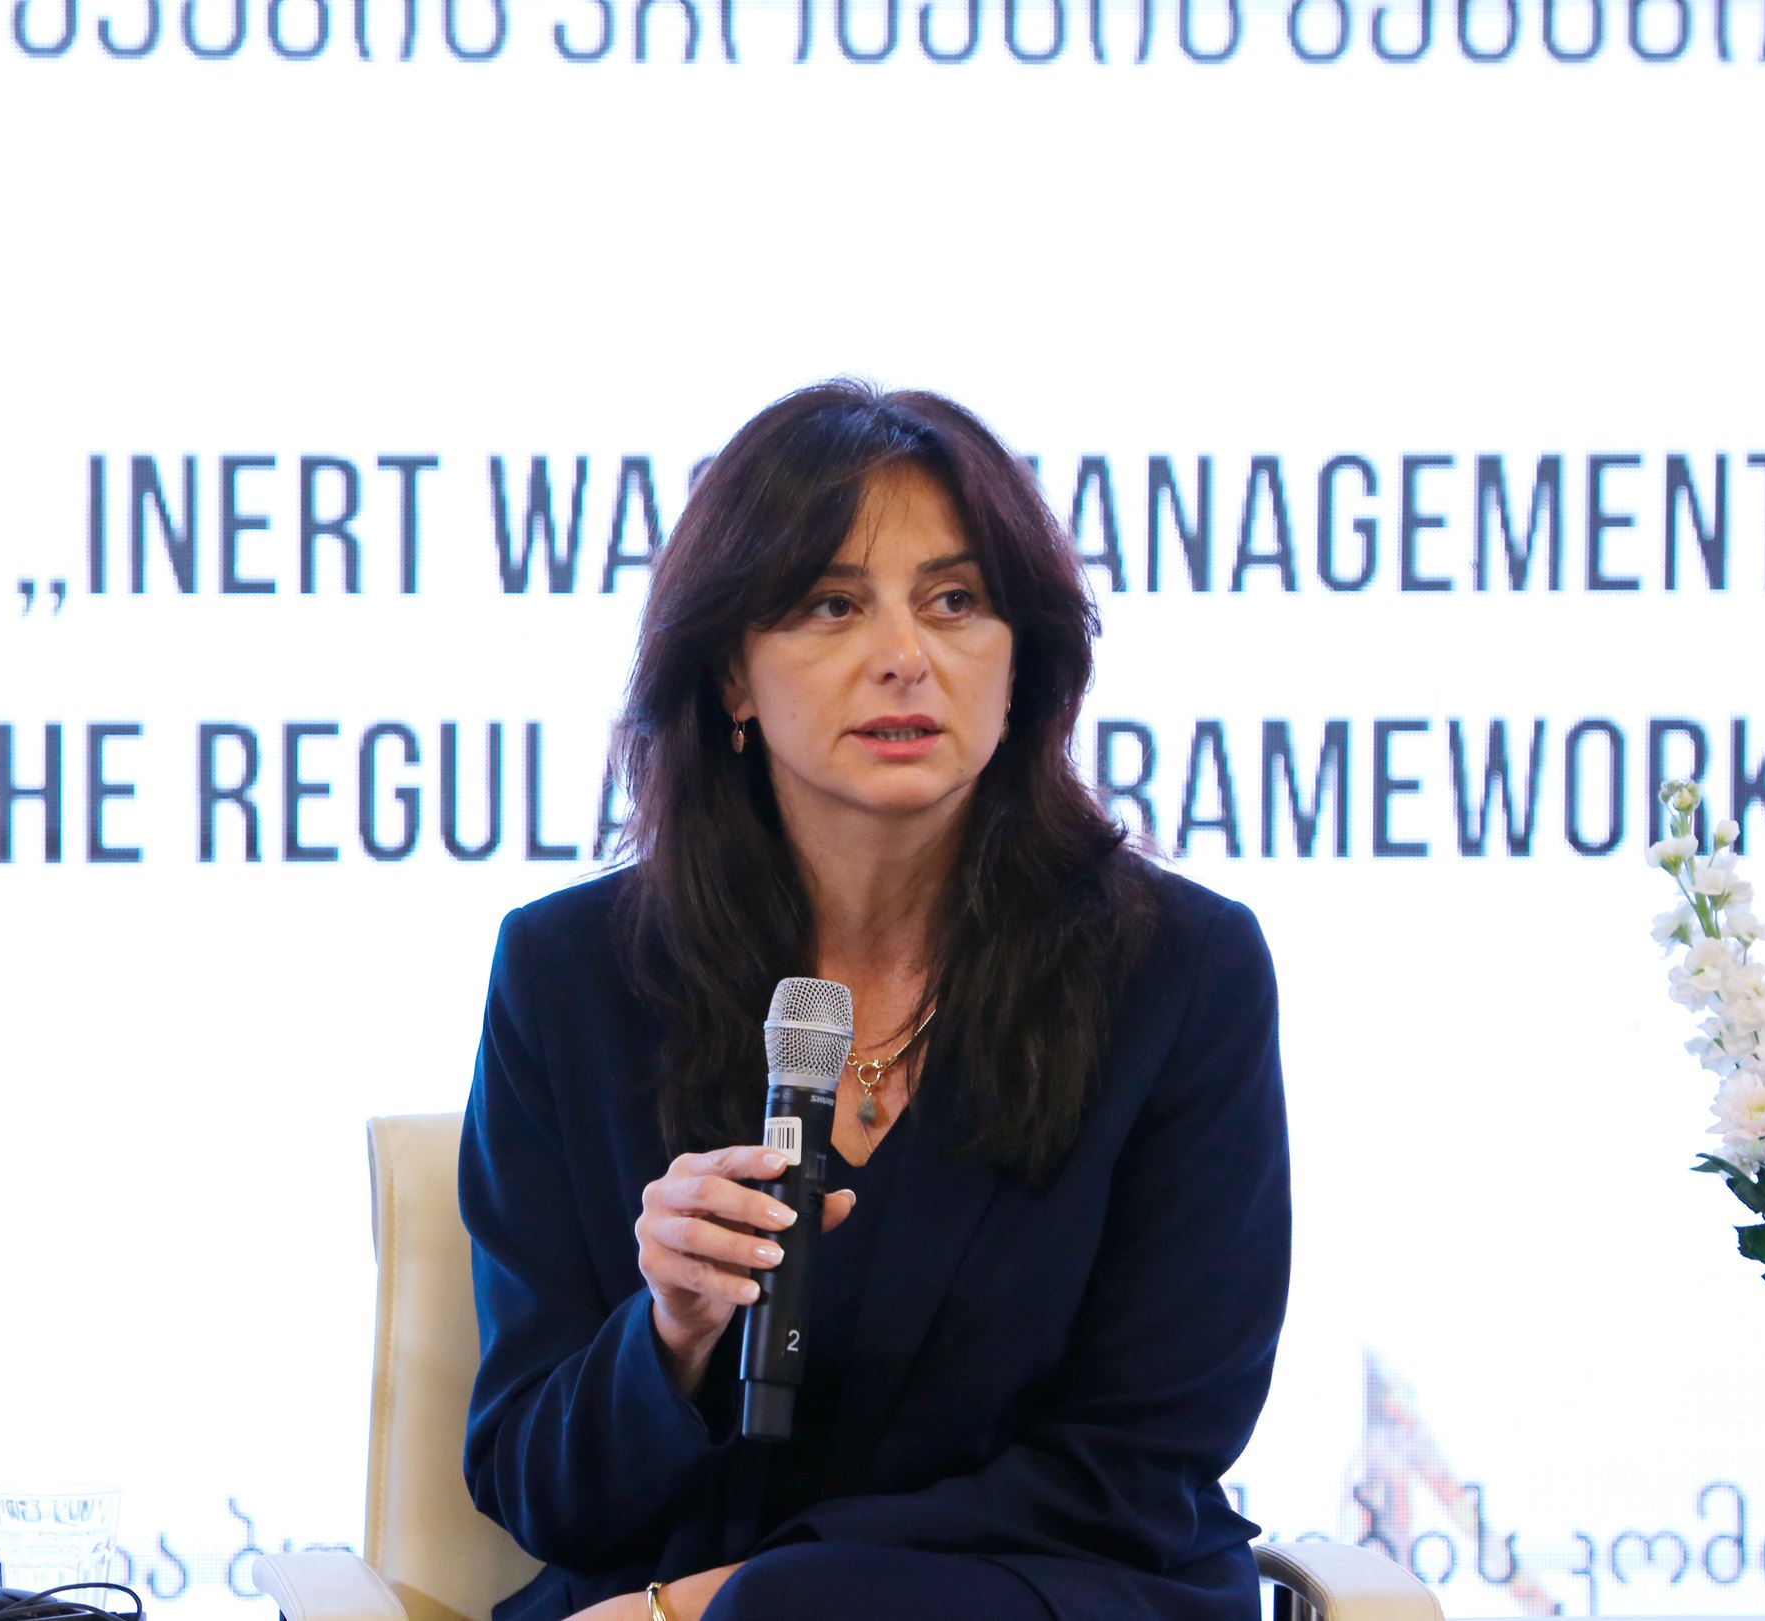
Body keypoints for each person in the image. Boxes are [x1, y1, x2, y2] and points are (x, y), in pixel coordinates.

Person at [459, 380, 1290, 1621]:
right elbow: (537, 1484)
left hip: (1046, 1592)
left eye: (954, 601)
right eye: (831, 604)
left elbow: (1141, 1458)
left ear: (1020, 661)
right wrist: (669, 1332)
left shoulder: (1180, 969)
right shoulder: (569, 974)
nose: (905, 654)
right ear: (731, 675)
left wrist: (744, 1593)